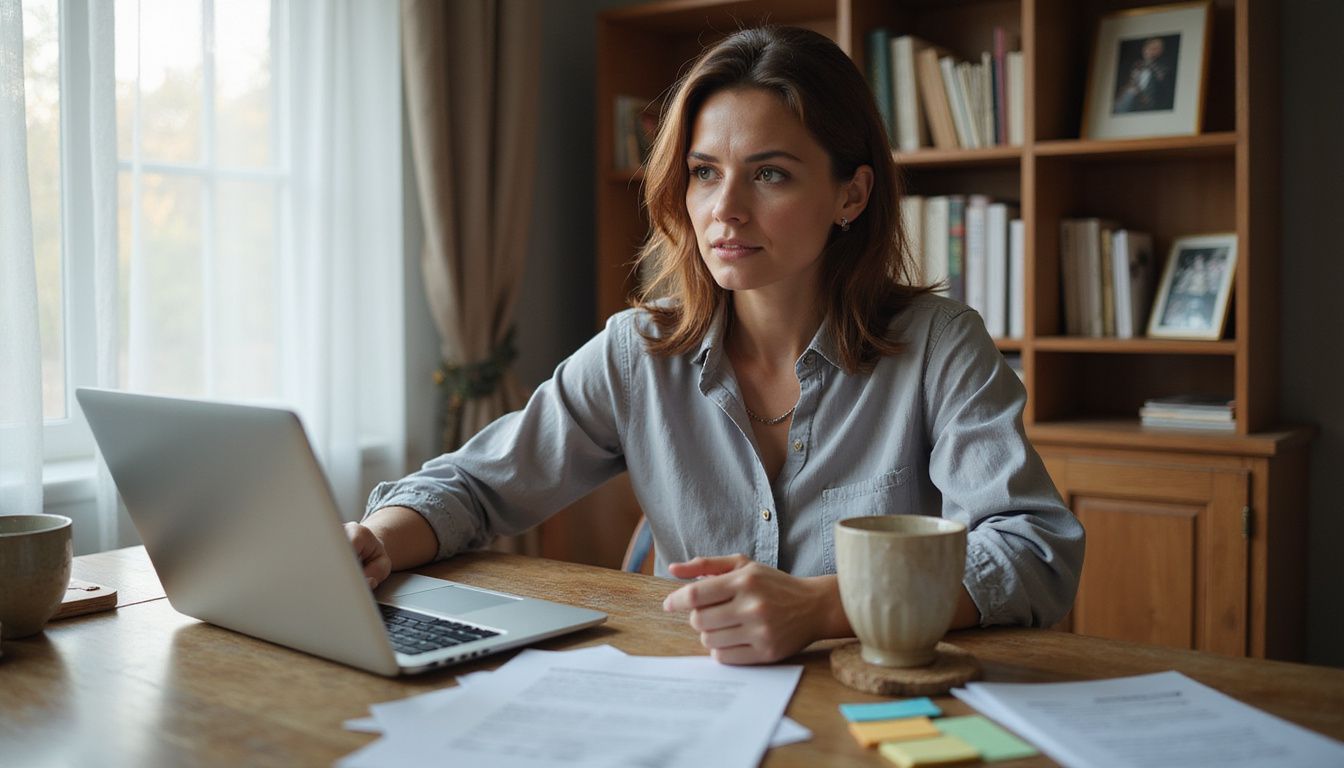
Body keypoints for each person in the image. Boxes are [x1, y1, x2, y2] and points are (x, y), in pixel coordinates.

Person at [346, 26, 1083, 665]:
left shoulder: (938, 347)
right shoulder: (639, 351)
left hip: (873, 709)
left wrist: (825, 608)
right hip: (688, 691)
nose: (725, 210)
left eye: (770, 174)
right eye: (704, 173)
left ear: (851, 196)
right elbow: (475, 486)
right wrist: (377, 540)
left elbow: (1034, 550)